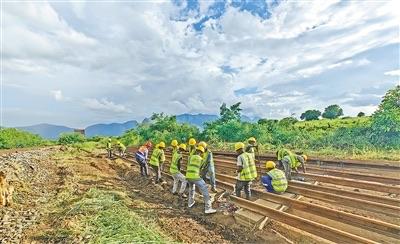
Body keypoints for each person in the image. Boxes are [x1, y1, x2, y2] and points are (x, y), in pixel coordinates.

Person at [186, 145, 217, 214]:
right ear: (201, 152)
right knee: (205, 190)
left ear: (196, 151)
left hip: (188, 176)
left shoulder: (190, 157)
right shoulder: (201, 159)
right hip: (195, 176)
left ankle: (190, 203)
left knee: (191, 189)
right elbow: (201, 170)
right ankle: (208, 208)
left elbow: (188, 165)